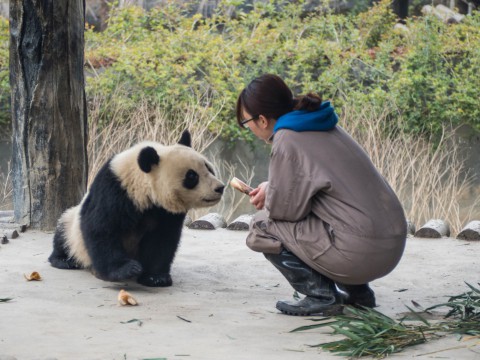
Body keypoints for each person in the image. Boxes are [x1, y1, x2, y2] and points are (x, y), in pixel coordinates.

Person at [236, 74, 407, 316]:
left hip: (361, 254)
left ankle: (321, 296)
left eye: (246, 122)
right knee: (337, 217)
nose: (249, 128)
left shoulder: (287, 139)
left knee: (261, 226)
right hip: (391, 246)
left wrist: (269, 195)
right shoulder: (320, 122)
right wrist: (272, 186)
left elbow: (284, 211)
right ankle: (359, 293)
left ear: (262, 120)